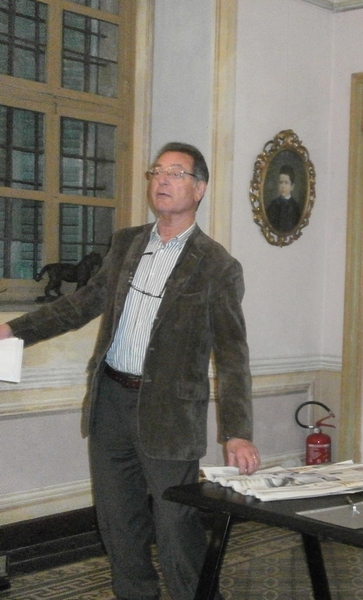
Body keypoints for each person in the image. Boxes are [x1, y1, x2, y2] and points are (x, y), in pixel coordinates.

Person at [0, 142, 260, 600]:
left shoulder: (218, 266)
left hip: (169, 414)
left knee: (177, 527)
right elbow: (80, 305)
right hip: (111, 402)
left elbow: (232, 354)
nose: (162, 180)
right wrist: (11, 330)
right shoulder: (126, 244)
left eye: (175, 173)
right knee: (118, 523)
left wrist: (237, 432)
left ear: (199, 189)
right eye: (157, 171)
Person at [266, 163, 302, 232]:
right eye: (281, 182)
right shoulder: (273, 205)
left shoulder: (295, 207)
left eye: (286, 183)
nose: (283, 186)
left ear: (292, 186)